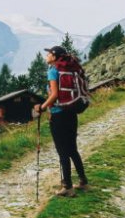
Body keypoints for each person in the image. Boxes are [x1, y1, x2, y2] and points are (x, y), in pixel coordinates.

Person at [35, 45, 88, 197]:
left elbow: (54, 95)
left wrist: (42, 107)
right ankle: (83, 181)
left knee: (62, 151)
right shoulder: (70, 69)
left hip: (59, 114)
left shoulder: (53, 71)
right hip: (71, 112)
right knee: (72, 149)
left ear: (54, 56)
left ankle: (68, 187)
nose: (47, 56)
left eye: (49, 53)